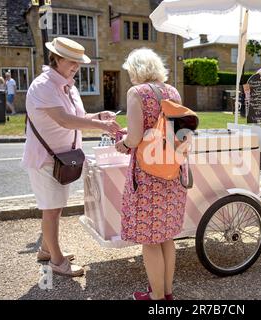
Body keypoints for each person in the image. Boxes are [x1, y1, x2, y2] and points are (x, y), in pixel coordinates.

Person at [21, 37, 121, 277]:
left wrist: (98, 116)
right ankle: (56, 261)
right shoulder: (44, 85)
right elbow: (64, 120)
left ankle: (46, 250)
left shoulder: (68, 85)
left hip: (63, 159)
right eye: (72, 61)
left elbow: (79, 115)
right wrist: (102, 128)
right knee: (51, 210)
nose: (76, 66)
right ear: (56, 58)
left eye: (79, 62)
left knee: (56, 207)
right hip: (46, 158)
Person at [115, 48, 186, 300]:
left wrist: (122, 144)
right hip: (171, 171)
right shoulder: (172, 91)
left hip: (147, 176)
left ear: (136, 70)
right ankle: (166, 293)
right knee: (166, 235)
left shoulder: (137, 92)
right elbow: (166, 130)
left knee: (150, 239)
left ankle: (156, 298)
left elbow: (135, 138)